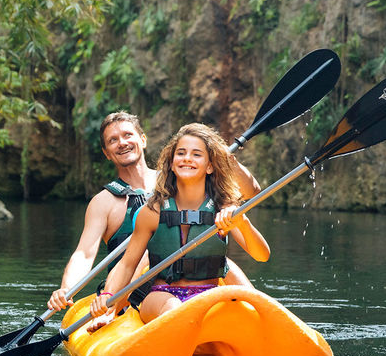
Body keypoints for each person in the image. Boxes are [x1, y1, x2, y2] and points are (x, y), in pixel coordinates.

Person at [47, 112, 259, 313]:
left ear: (143, 140)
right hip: (137, 288)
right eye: (113, 140)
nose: (122, 142)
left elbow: (251, 192)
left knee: (221, 260)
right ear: (106, 153)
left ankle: (259, 313)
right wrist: (67, 288)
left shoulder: (181, 175)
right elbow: (84, 253)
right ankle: (111, 311)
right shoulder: (104, 202)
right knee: (151, 250)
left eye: (128, 135)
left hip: (194, 277)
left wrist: (227, 159)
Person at [86, 123, 271, 332]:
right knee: (174, 308)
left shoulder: (223, 208)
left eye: (197, 154)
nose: (187, 158)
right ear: (172, 163)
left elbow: (262, 255)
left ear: (210, 166)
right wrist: (108, 296)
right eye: (181, 153)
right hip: (161, 296)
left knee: (237, 315)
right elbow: (128, 264)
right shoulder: (153, 211)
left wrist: (242, 223)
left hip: (209, 294)